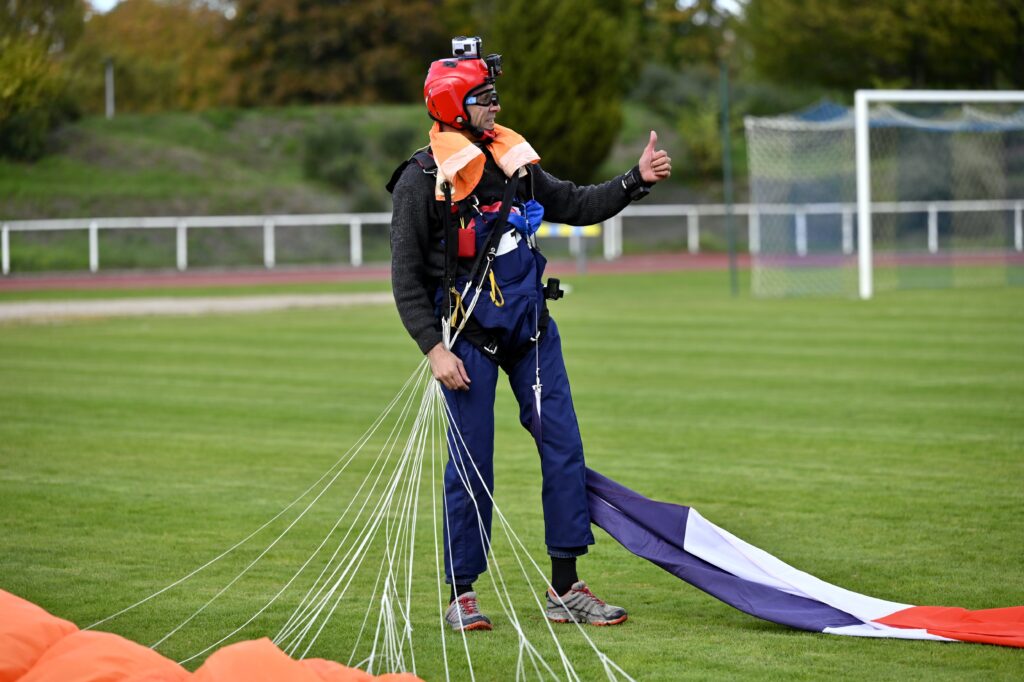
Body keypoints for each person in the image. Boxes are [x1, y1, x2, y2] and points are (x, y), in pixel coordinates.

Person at [387, 37, 671, 632]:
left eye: (494, 95)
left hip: (532, 333)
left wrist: (635, 180)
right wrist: (434, 350)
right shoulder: (422, 179)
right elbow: (406, 278)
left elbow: (576, 203)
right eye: (484, 97)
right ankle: (462, 594)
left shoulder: (512, 160)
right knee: (471, 464)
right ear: (453, 104)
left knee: (563, 449)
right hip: (466, 343)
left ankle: (566, 588)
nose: (495, 105)